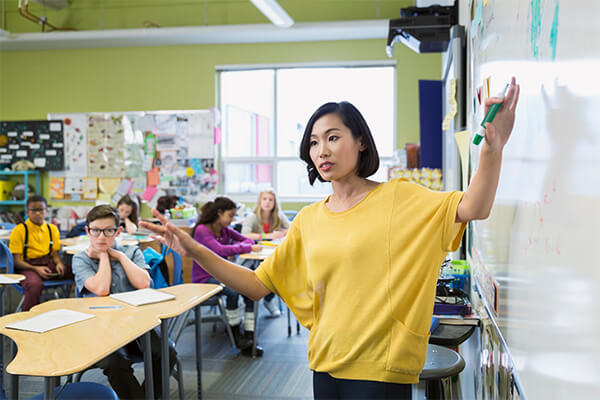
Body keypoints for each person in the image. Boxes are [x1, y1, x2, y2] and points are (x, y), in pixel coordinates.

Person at [141, 78, 520, 399]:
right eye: (313, 142)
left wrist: (493, 147)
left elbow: (473, 207)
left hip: (381, 369)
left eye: (333, 137)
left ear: (361, 142)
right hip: (325, 364)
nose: (322, 150)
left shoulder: (398, 197)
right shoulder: (309, 220)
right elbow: (256, 285)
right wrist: (193, 248)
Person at [72, 204, 177, 399]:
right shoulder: (81, 259)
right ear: (88, 231)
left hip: (137, 325)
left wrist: (118, 256)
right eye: (96, 231)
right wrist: (104, 255)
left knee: (167, 352)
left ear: (118, 231)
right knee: (114, 363)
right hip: (101, 329)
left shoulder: (131, 252)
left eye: (108, 231)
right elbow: (101, 289)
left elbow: (144, 283)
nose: (101, 237)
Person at [190, 196, 264, 356]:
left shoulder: (224, 229)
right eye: (230, 215)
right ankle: (236, 336)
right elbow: (220, 250)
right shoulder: (202, 230)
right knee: (233, 292)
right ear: (219, 213)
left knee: (250, 290)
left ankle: (250, 335)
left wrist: (243, 245)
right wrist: (245, 247)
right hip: (204, 279)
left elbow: (246, 239)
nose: (232, 220)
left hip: (222, 274)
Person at [8, 195, 73, 311]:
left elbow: (55, 255)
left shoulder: (52, 229)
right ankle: (28, 316)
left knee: (77, 272)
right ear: (27, 212)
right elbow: (16, 262)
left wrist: (59, 264)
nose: (38, 213)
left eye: (41, 210)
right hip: (26, 267)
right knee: (34, 285)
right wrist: (36, 269)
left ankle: (72, 308)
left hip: (47, 264)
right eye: (34, 210)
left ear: (46, 211)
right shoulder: (19, 231)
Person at [240, 190, 291, 317]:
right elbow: (244, 235)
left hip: (270, 255)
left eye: (270, 200)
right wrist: (268, 236)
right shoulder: (252, 216)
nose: (267, 202)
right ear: (259, 201)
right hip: (252, 256)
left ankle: (268, 300)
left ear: (274, 203)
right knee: (254, 275)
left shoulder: (278, 215)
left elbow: (291, 228)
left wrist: (284, 232)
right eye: (265, 199)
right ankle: (249, 303)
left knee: (277, 273)